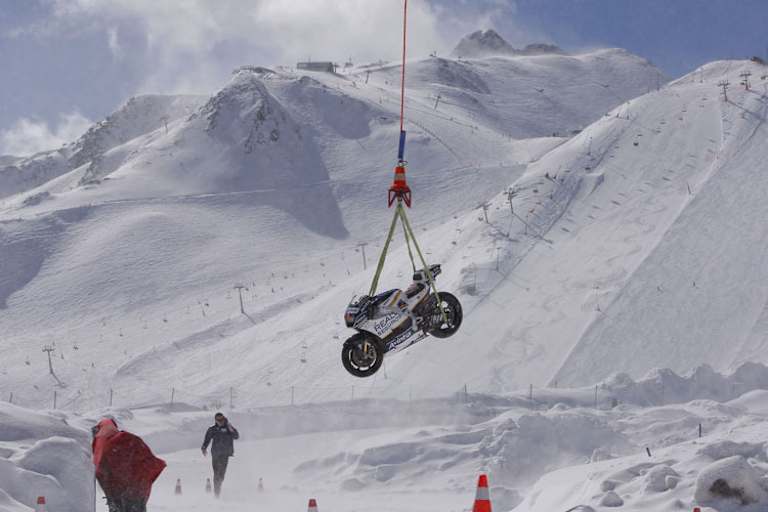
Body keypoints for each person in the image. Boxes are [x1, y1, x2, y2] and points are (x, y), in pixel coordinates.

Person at [92, 418, 166, 512]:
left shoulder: (102, 444)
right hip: (135, 490)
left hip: (116, 493)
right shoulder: (126, 438)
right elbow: (147, 460)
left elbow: (100, 470)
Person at [201, 412, 239, 498]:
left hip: (225, 454)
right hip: (215, 454)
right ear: (215, 420)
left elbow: (236, 436)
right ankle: (216, 494)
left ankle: (218, 487)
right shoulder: (212, 429)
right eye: (218, 420)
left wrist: (231, 428)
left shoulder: (229, 427)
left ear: (224, 418)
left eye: (221, 419)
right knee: (216, 473)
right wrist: (204, 448)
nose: (220, 421)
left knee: (222, 475)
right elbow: (207, 439)